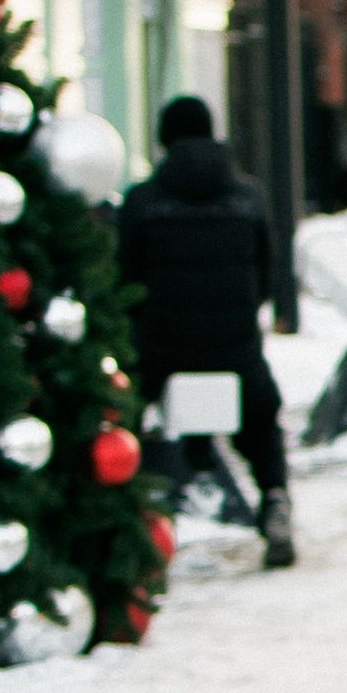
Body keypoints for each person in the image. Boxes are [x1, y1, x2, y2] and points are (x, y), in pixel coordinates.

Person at [116, 95, 297, 569]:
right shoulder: (249, 197)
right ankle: (275, 499)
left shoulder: (141, 201)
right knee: (261, 415)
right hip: (234, 346)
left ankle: (118, 515)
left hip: (160, 348)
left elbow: (124, 283)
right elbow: (264, 275)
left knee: (124, 409)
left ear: (163, 139)